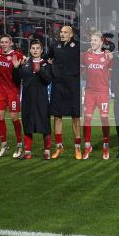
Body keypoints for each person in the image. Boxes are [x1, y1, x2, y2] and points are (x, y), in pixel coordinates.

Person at [13, 39, 53, 160]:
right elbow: (16, 80)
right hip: (27, 98)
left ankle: (47, 151)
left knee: (44, 124)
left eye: (37, 48)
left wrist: (40, 70)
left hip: (41, 98)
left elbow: (48, 80)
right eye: (33, 48)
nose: (35, 50)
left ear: (41, 50)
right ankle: (28, 152)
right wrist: (16, 68)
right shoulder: (25, 63)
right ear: (30, 50)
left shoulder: (46, 63)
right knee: (28, 123)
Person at [46, 25, 81, 159]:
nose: (62, 34)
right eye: (61, 32)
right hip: (58, 85)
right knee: (57, 116)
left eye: (65, 32)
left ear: (71, 34)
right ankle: (59, 147)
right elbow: (47, 58)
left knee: (75, 117)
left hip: (73, 86)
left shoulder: (78, 46)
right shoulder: (54, 45)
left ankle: (77, 148)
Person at [0, 35, 25, 158]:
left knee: (14, 117)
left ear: (11, 43)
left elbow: (26, 62)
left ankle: (20, 145)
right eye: (2, 42)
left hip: (12, 91)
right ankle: (4, 145)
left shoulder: (17, 55)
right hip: (0, 91)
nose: (3, 44)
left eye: (6, 42)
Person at [81, 32, 113, 160]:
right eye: (91, 40)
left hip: (103, 92)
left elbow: (110, 74)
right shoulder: (86, 55)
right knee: (86, 120)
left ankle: (106, 146)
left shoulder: (107, 57)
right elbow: (81, 71)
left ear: (101, 42)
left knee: (104, 119)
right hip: (89, 92)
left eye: (95, 40)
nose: (92, 42)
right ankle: (87, 146)